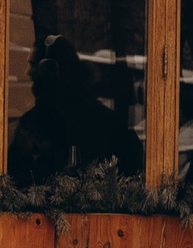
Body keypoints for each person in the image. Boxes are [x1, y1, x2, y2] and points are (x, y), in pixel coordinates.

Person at [7, 34, 143, 185]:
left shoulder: (99, 122)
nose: (28, 72)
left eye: (33, 65)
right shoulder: (103, 119)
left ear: (50, 70)